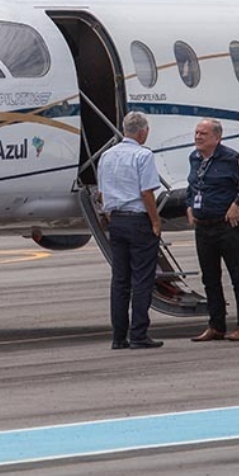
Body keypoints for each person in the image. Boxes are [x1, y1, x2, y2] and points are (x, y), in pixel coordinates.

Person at [99, 111, 164, 350]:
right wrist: (155, 222)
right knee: (142, 279)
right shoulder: (143, 155)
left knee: (120, 281)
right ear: (142, 132)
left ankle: (118, 336)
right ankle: (139, 333)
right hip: (138, 220)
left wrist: (111, 214)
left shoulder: (107, 155)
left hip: (116, 220)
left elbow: (102, 192)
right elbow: (147, 192)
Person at [186, 118, 239, 342]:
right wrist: (189, 204)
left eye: (203, 134)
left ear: (217, 137)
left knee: (237, 275)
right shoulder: (195, 158)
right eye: (197, 133)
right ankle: (216, 325)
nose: (198, 137)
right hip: (203, 227)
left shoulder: (231, 159)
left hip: (226, 226)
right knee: (210, 278)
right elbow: (193, 185)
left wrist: (237, 204)